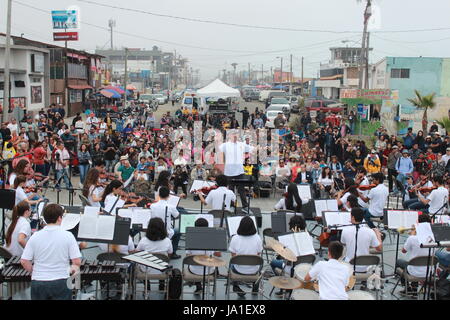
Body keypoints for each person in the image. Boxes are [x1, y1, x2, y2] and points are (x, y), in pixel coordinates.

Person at [20, 204, 81, 300]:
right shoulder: (68, 236)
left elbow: (24, 261)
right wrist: (71, 273)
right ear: (60, 218)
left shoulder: (35, 236)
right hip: (61, 281)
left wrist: (34, 271)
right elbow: (76, 262)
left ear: (44, 218)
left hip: (39, 281)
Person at [395, 214, 432, 296]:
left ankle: (407, 288)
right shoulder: (434, 238)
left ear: (418, 223)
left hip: (414, 270)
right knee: (415, 263)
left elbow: (403, 251)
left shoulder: (412, 238)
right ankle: (414, 288)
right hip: (428, 272)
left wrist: (412, 235)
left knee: (399, 262)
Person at [228, 216, 263, 297]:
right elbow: (258, 255)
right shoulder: (258, 238)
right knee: (259, 263)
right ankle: (255, 286)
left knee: (232, 263)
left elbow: (233, 258)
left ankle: (235, 286)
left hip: (238, 270)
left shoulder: (235, 238)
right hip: (254, 270)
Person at [340, 208, 382, 273]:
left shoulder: (345, 230)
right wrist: (378, 234)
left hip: (350, 267)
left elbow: (343, 243)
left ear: (353, 217)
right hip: (365, 267)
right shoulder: (370, 232)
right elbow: (379, 248)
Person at [218, 131, 252, 210]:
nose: (235, 136)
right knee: (230, 190)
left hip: (239, 171)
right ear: (230, 136)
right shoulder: (225, 145)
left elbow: (250, 148)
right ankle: (232, 206)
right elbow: (218, 148)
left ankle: (245, 206)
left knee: (241, 190)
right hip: (229, 172)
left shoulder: (241, 144)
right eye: (234, 135)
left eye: (236, 135)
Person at [136, 218, 173, 290]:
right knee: (164, 262)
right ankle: (161, 284)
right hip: (161, 269)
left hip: (146, 270)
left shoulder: (144, 240)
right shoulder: (167, 241)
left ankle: (147, 285)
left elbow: (137, 252)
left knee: (140, 264)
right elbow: (170, 254)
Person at [185, 218, 216, 294]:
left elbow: (188, 256)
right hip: (209, 270)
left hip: (194, 270)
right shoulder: (213, 238)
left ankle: (198, 285)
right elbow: (216, 255)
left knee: (194, 263)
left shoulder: (190, 238)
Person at [150, 186, 181, 259]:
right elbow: (177, 216)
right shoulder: (171, 206)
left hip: (153, 230)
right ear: (168, 196)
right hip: (166, 231)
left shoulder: (152, 206)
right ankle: (173, 252)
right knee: (178, 231)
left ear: (159, 195)